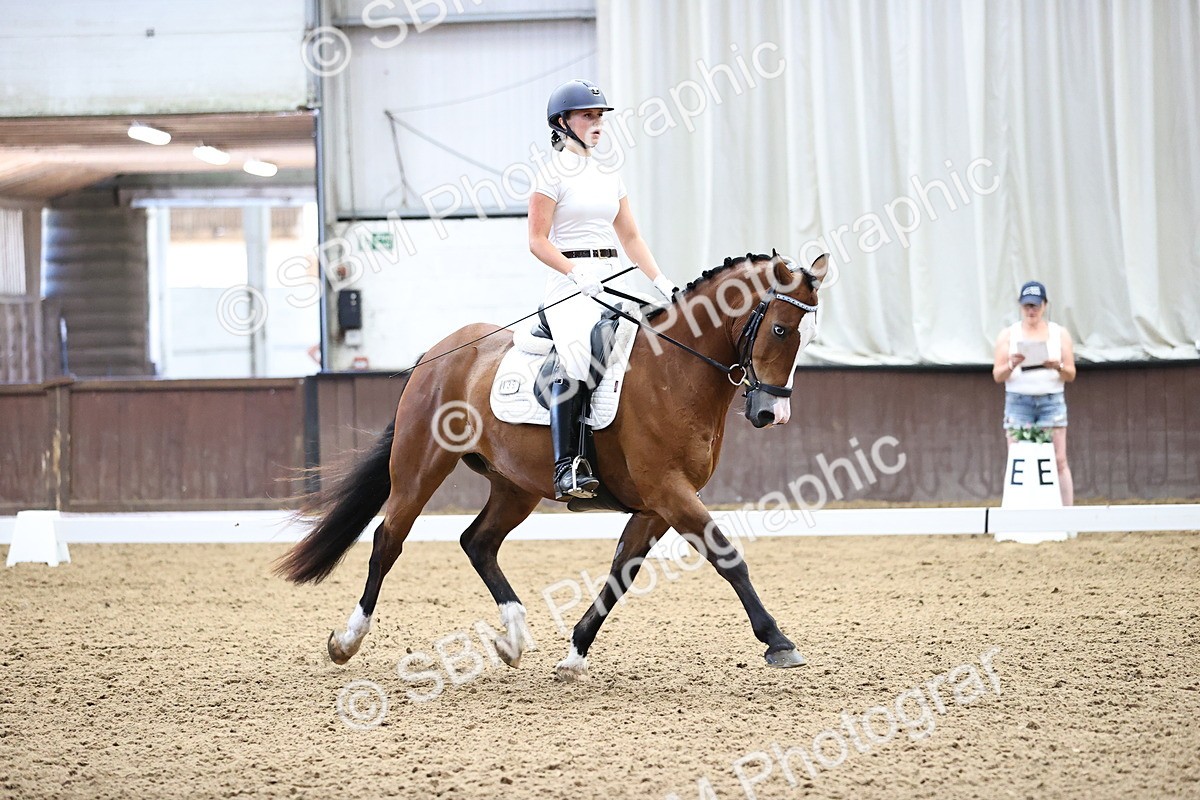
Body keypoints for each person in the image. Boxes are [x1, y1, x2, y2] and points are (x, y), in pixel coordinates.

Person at [528, 78, 678, 502]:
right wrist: (575, 272)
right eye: (588, 116)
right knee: (579, 354)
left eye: (600, 117)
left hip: (612, 275)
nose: (597, 124)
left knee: (654, 341)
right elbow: (537, 240)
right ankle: (568, 465)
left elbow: (631, 238)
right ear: (562, 122)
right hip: (569, 282)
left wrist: (661, 281)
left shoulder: (609, 175)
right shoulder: (550, 174)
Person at [992, 280, 1077, 505]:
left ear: (1045, 306)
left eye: (1035, 306)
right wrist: (1011, 364)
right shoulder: (1008, 335)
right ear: (1021, 307)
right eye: (1027, 306)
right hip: (1019, 401)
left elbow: (1070, 373)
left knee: (1058, 460)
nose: (1031, 311)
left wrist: (1056, 365)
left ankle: (1067, 518)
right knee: (1017, 460)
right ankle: (1016, 514)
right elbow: (997, 375)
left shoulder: (1059, 334)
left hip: (1051, 399)